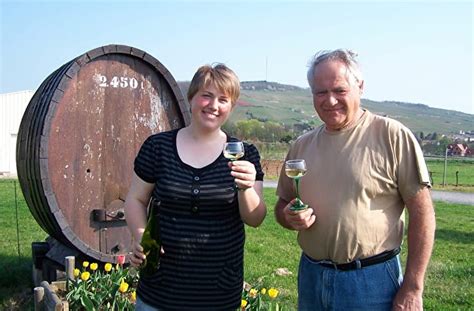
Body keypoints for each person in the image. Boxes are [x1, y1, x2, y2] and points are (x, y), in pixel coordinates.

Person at [275, 49, 435, 310]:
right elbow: (282, 204)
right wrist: (288, 216)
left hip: (371, 282)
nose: (330, 100)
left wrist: (413, 287)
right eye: (320, 92)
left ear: (360, 86)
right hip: (312, 276)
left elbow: (423, 213)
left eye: (339, 90)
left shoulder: (391, 136)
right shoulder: (301, 146)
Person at [124, 63, 267, 310]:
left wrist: (245, 188)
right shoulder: (158, 147)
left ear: (231, 107)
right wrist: (141, 236)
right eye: (207, 96)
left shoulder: (244, 154)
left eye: (224, 99)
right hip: (160, 289)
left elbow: (255, 219)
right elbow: (135, 200)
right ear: (191, 98)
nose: (213, 105)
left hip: (219, 292)